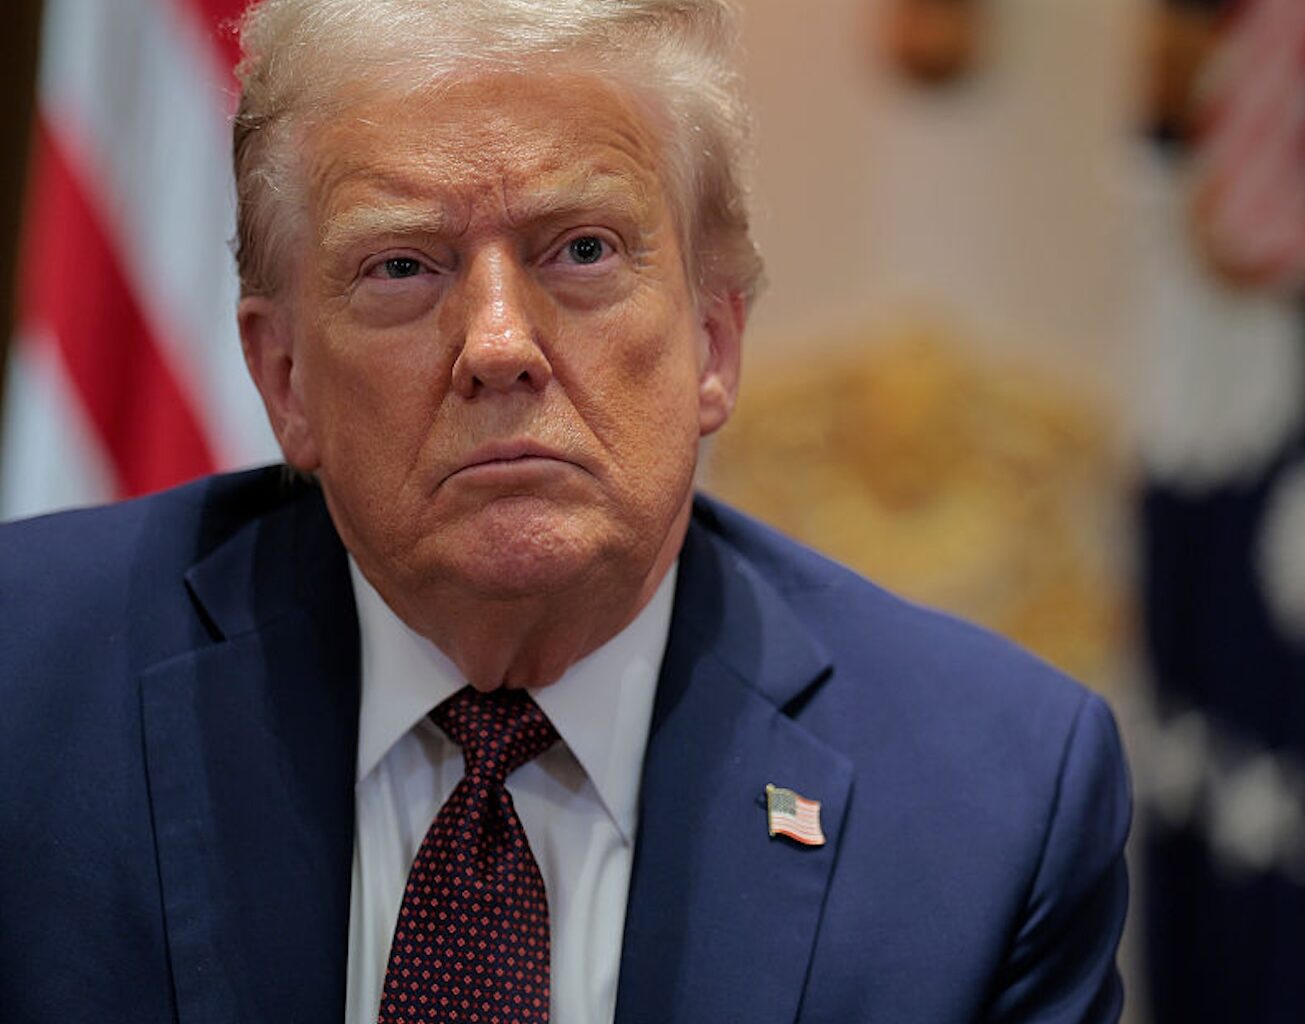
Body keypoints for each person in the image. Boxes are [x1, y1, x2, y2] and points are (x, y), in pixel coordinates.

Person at [0, 1, 1131, 1021]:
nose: (499, 345)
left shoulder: (990, 811)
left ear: (714, 343)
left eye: (583, 249)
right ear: (286, 377)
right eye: (403, 267)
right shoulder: (26, 682)